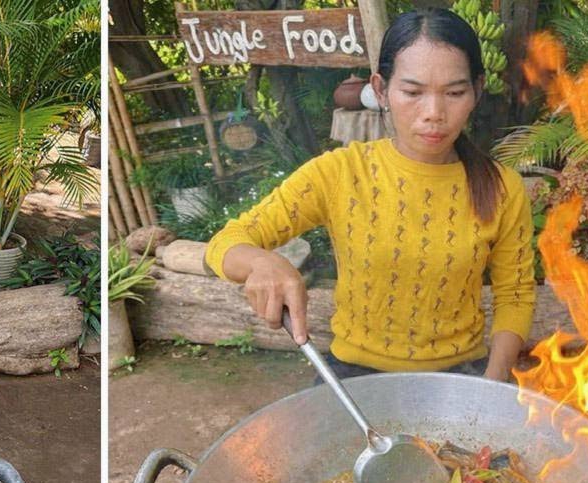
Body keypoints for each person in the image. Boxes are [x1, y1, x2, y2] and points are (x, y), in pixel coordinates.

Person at [206, 8, 535, 382]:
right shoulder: (340, 172)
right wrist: (259, 263)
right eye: (412, 92)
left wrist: (488, 389)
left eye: (455, 93)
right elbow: (225, 243)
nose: (433, 113)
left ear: (477, 90)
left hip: (462, 376)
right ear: (381, 90)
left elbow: (515, 295)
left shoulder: (502, 187)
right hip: (352, 378)